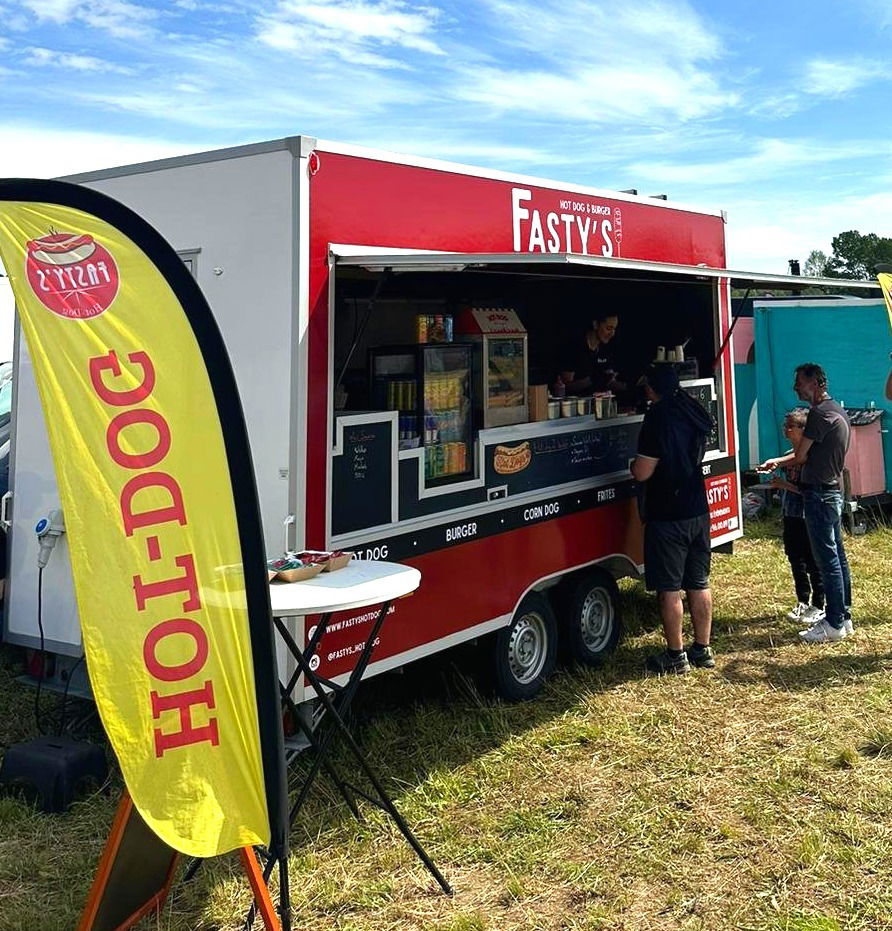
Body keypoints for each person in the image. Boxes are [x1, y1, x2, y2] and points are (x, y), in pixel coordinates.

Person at [759, 363, 852, 643]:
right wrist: (778, 460)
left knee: (827, 561)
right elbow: (804, 454)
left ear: (816, 383)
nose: (795, 387)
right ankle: (843, 617)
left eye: (799, 382)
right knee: (838, 558)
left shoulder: (819, 414)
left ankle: (834, 621)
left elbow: (800, 456)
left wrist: (781, 460)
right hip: (831, 492)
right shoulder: (836, 409)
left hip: (819, 495)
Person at [631, 364, 714, 674]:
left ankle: (675, 656)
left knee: (669, 587)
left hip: (667, 513)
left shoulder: (656, 417)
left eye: (647, 388)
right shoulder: (692, 408)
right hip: (697, 507)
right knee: (699, 581)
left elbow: (643, 471)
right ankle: (702, 650)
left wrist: (632, 467)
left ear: (653, 389)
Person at [768, 408, 824, 624]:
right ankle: (802, 599)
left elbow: (811, 490)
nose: (786, 430)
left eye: (790, 426)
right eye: (785, 425)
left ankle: (819, 603)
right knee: (795, 558)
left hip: (807, 515)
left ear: (803, 430)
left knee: (813, 560)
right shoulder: (786, 458)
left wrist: (785, 485)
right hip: (790, 514)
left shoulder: (811, 457)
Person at [560, 312, 624, 395]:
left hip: (598, 402)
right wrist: (593, 379)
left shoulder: (606, 349)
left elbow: (610, 382)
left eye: (614, 329)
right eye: (608, 328)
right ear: (595, 324)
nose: (612, 334)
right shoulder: (575, 346)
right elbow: (565, 387)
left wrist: (631, 386)